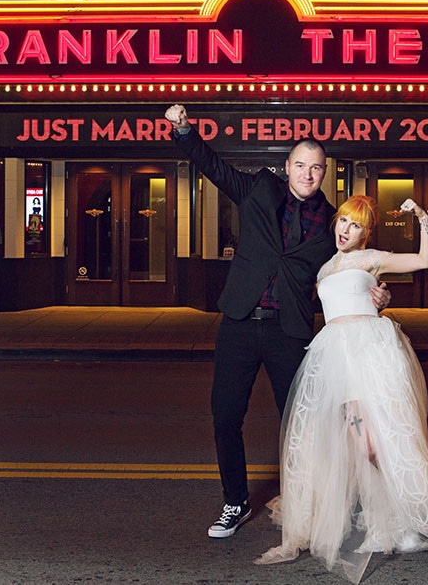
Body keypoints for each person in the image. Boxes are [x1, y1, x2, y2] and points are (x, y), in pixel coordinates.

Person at [163, 105, 391, 539]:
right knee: (225, 415)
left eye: (316, 168)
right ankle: (235, 502)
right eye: (300, 165)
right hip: (240, 323)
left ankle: (315, 503)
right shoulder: (258, 191)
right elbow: (211, 165)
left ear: (325, 173)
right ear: (287, 167)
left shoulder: (331, 224)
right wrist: (184, 129)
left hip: (290, 332)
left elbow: (352, 271)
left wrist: (377, 295)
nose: (308, 174)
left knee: (305, 423)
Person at [256, 195, 428, 583]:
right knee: (351, 443)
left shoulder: (372, 257)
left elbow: (424, 262)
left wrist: (423, 218)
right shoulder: (324, 266)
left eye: (355, 225)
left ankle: (401, 518)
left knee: (380, 441)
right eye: (342, 221)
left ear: (365, 232)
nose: (345, 230)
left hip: (371, 352)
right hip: (334, 356)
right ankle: (378, 517)